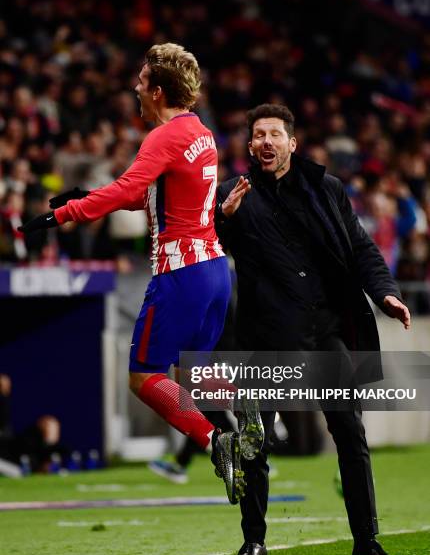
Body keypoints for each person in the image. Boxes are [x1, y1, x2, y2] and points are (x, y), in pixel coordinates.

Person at [19, 43, 264, 504]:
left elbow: (132, 186)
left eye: (140, 80)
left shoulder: (163, 137)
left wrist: (66, 213)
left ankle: (216, 443)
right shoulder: (201, 133)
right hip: (214, 270)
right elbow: (154, 195)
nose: (134, 87)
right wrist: (89, 194)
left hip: (180, 273)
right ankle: (239, 401)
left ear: (156, 90)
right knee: (193, 375)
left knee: (143, 377)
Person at [216, 103, 411, 555]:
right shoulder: (232, 194)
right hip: (266, 334)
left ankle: (366, 540)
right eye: (258, 135)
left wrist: (386, 294)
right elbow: (209, 248)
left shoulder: (327, 189)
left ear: (291, 143)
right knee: (254, 438)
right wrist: (223, 219)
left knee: (349, 431)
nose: (266, 142)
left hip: (326, 329)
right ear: (250, 146)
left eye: (274, 134)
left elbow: (360, 247)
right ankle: (254, 542)